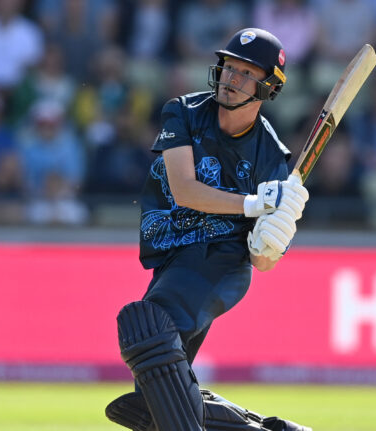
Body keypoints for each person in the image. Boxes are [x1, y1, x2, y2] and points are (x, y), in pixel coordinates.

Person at [104, 28, 311, 431]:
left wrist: (274, 237)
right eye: (229, 67)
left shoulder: (271, 156)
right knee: (158, 390)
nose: (232, 78)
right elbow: (184, 189)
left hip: (221, 261)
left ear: (268, 86)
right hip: (173, 258)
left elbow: (261, 261)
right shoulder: (183, 111)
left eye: (246, 73)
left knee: (148, 326)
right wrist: (253, 203)